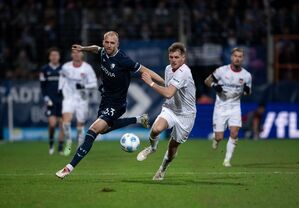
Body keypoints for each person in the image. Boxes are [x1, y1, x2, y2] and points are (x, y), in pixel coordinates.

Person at [56, 31, 164, 179]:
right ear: (103, 42)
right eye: (106, 42)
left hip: (117, 104)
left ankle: (69, 168)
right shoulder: (103, 52)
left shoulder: (123, 60)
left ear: (117, 44)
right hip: (105, 100)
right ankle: (139, 119)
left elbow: (146, 70)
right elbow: (96, 49)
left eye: (112, 43)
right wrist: (83, 48)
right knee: (104, 130)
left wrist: (164, 82)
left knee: (93, 130)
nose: (109, 45)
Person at [137, 42, 196, 181]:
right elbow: (166, 82)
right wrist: (143, 70)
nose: (173, 60)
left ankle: (162, 168)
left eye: (176, 57)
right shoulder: (169, 69)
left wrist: (150, 83)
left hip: (186, 115)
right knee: (156, 129)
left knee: (172, 147)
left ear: (183, 58)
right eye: (171, 57)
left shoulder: (184, 72)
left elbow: (168, 93)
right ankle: (152, 148)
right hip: (170, 108)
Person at [204, 47, 252, 167]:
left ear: (242, 59)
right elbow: (207, 81)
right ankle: (216, 140)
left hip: (235, 107)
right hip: (221, 107)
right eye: (235, 56)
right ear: (231, 57)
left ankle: (227, 160)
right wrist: (215, 85)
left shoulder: (246, 75)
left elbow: (248, 92)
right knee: (219, 137)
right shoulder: (222, 71)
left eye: (240, 57)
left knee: (234, 133)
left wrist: (246, 90)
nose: (237, 58)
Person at [58, 49, 98, 156]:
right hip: (69, 97)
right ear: (71, 54)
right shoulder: (66, 67)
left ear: (82, 54)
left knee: (80, 124)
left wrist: (84, 86)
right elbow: (61, 78)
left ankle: (80, 145)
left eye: (78, 52)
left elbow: (94, 84)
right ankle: (69, 142)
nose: (76, 54)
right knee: (66, 121)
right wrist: (60, 89)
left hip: (82, 99)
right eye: (74, 52)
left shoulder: (87, 68)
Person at [39, 47, 64, 155]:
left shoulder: (64, 69)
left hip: (63, 100)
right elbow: (42, 86)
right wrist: (46, 98)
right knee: (52, 124)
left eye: (56, 55)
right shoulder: (44, 69)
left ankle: (60, 147)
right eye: (52, 55)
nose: (54, 57)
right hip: (51, 101)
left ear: (59, 57)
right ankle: (50, 144)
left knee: (63, 125)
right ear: (49, 57)